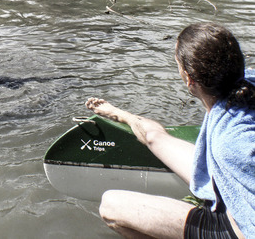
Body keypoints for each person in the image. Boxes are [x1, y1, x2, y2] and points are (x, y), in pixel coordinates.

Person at [85, 22, 254, 239]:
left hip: (235, 228)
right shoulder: (245, 81)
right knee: (154, 138)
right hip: (225, 179)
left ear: (189, 80)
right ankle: (124, 116)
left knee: (111, 205)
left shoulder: (235, 143)